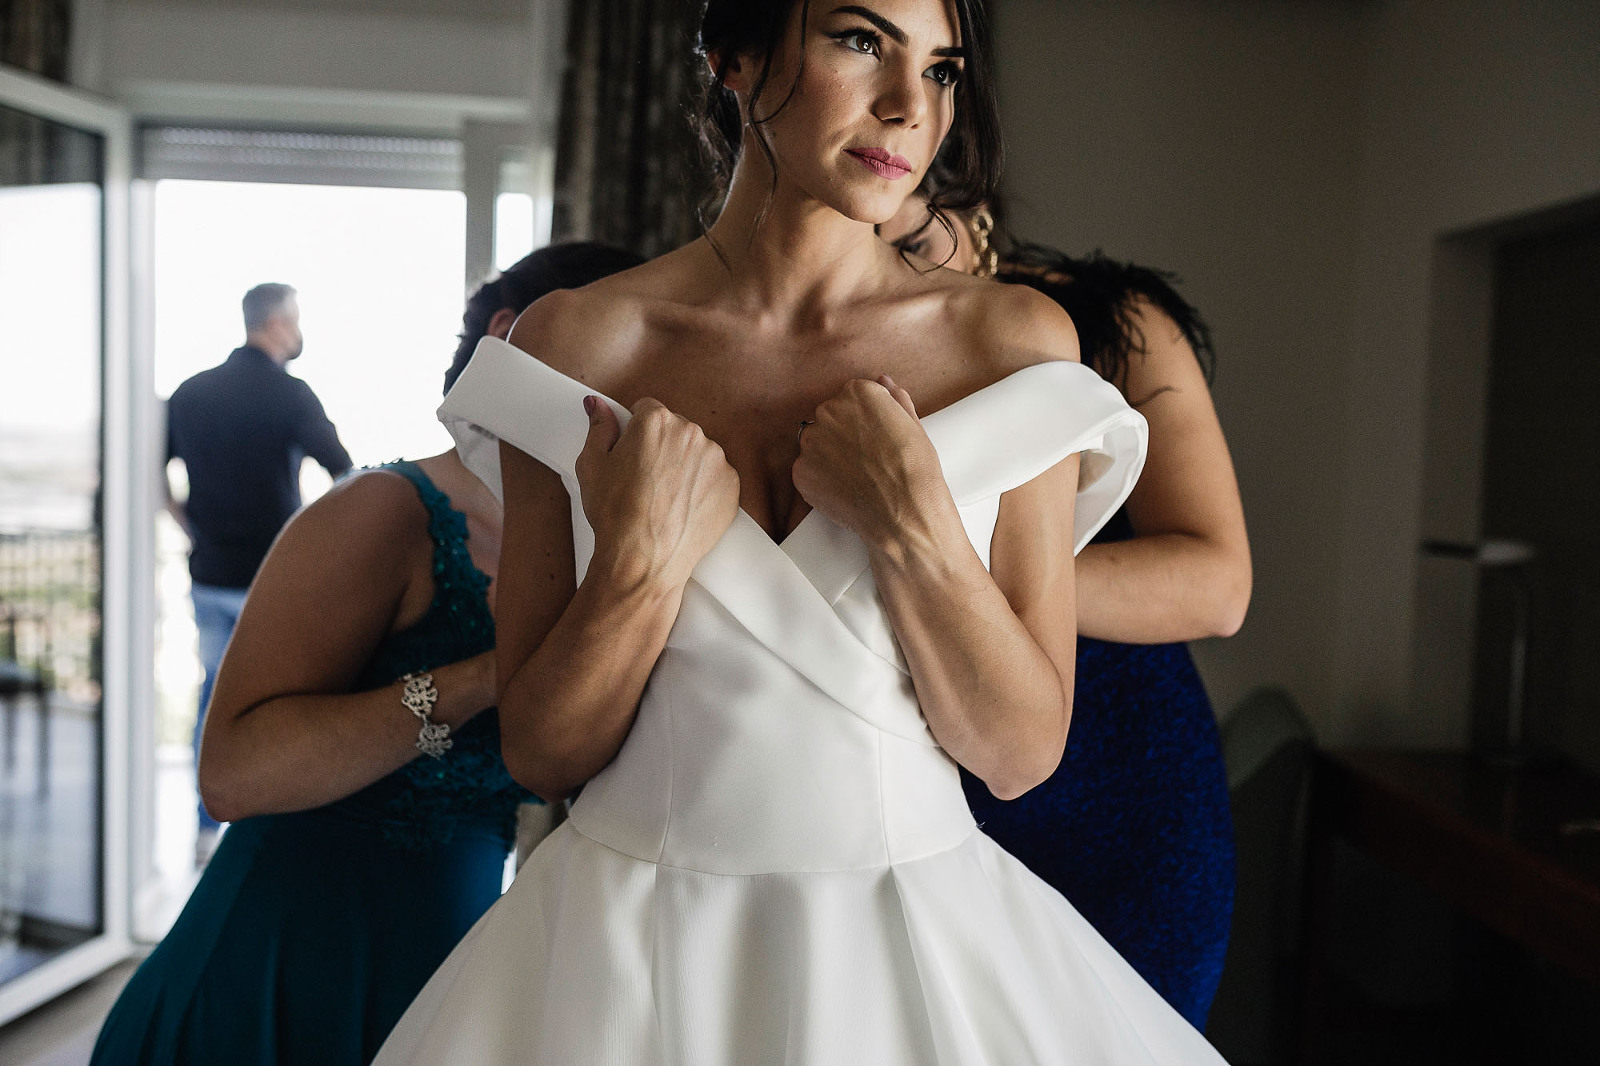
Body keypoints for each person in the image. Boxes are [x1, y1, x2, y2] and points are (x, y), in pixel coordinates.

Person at [373, 1, 1229, 1063]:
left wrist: (916, 530)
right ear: (733, 56)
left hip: (916, 941)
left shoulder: (1011, 343)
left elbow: (1018, 753)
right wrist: (637, 570)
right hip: (622, 959)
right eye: (861, 41)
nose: (911, 107)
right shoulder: (578, 342)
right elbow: (546, 753)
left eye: (943, 67)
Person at [91, 243, 645, 1066]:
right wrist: (485, 680)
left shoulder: (603, 547)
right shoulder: (386, 511)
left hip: (444, 969)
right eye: (624, 346)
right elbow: (233, 775)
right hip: (278, 968)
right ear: (514, 336)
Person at [881, 189, 1250, 1028]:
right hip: (914, 796)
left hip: (1119, 790)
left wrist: (965, 575)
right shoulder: (797, 331)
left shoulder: (1110, 324)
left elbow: (1218, 581)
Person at [164, 282, 353, 853]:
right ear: (276, 324)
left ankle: (205, 828)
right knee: (276, 702)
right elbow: (346, 474)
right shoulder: (291, 395)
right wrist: (313, 541)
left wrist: (188, 526)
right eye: (294, 322)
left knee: (213, 693)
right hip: (272, 575)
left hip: (209, 572)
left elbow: (153, 478)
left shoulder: (190, 392)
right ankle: (263, 831)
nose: (298, 333)